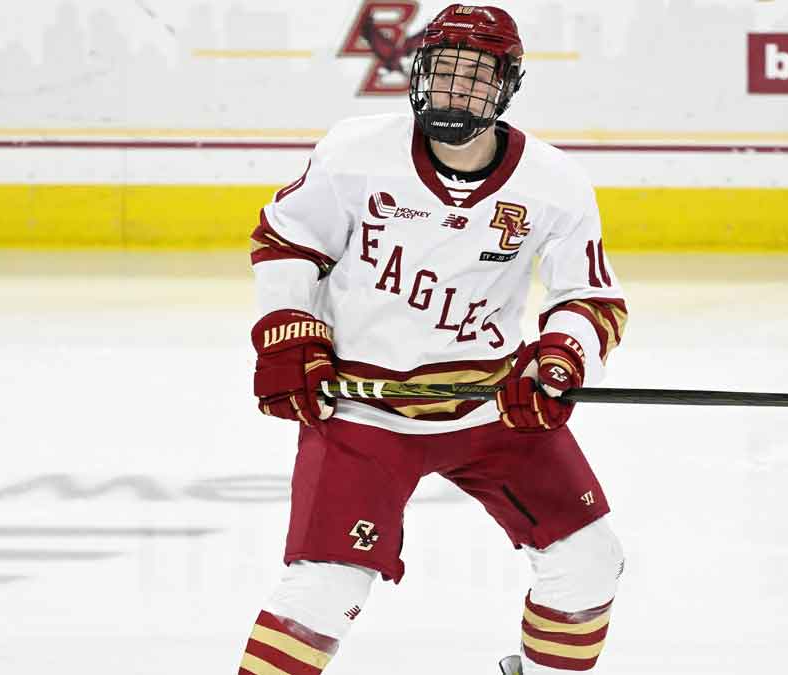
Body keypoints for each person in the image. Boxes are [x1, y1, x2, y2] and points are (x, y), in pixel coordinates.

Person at [238, 5, 627, 674]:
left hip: (491, 406)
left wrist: (562, 357)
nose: (454, 91)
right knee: (322, 590)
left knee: (589, 562)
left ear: (506, 87)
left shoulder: (554, 184)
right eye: (442, 73)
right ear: (418, 76)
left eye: (474, 78)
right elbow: (289, 237)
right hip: (361, 412)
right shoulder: (355, 151)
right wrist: (287, 333)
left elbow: (589, 297)